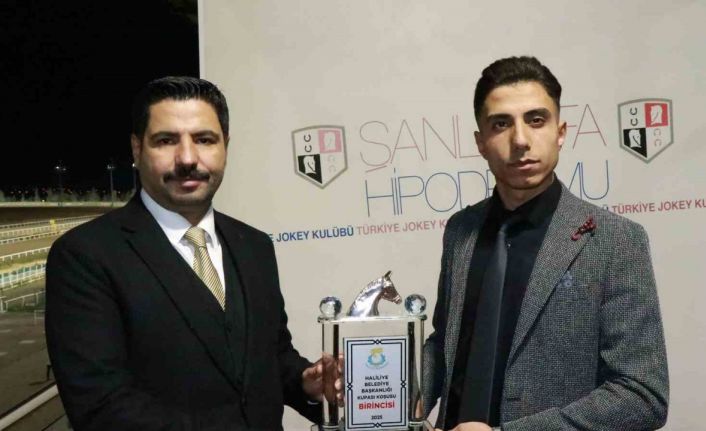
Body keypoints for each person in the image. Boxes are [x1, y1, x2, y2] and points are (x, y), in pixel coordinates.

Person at [45, 76, 334, 430]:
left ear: (225, 146)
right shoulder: (85, 256)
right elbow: (100, 406)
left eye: (204, 140)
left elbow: (270, 357)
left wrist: (306, 383)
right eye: (166, 141)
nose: (187, 158)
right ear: (136, 149)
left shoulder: (254, 246)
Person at [422, 57, 668, 431]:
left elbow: (642, 395)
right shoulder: (460, 230)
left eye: (536, 120)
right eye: (501, 124)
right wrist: (379, 387)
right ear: (481, 142)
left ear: (560, 132)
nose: (520, 140)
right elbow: (446, 346)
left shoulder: (616, 240)